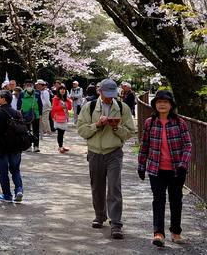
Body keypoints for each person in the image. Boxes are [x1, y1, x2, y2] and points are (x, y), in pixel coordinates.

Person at [76, 78, 135, 239]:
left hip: (114, 152)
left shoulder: (123, 108)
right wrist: (97, 125)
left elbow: (130, 131)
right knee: (97, 186)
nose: (110, 98)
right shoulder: (89, 107)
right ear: (100, 91)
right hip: (95, 152)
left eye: (112, 94)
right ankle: (100, 216)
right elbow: (81, 130)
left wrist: (116, 127)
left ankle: (116, 223)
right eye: (106, 94)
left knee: (114, 187)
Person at [138, 90, 193, 247]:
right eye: (159, 101)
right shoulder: (150, 122)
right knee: (158, 200)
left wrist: (183, 164)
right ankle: (158, 233)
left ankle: (176, 231)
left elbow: (188, 145)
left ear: (171, 105)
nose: (162, 104)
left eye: (166, 102)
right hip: (156, 169)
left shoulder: (179, 123)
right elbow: (144, 145)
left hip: (177, 170)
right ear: (155, 105)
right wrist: (141, 165)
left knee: (176, 200)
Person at [0, 89, 24, 202]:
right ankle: (19, 190)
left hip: (2, 147)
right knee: (15, 170)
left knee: (3, 172)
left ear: (3, 100)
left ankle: (7, 196)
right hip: (16, 146)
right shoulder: (17, 113)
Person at [18, 80, 41, 152]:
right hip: (25, 115)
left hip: (35, 115)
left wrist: (40, 114)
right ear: (25, 86)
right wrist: (18, 114)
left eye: (30, 85)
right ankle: (28, 146)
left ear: (33, 86)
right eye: (27, 85)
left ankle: (36, 146)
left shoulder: (37, 94)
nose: (29, 87)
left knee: (36, 131)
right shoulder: (22, 94)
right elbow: (18, 105)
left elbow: (40, 105)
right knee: (26, 131)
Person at [51, 85, 72, 152]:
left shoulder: (66, 99)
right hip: (58, 117)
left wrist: (69, 102)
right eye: (61, 89)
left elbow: (70, 108)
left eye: (64, 89)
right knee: (59, 132)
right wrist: (61, 107)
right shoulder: (56, 99)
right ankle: (60, 146)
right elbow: (54, 108)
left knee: (62, 132)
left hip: (65, 117)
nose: (62, 90)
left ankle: (61, 145)